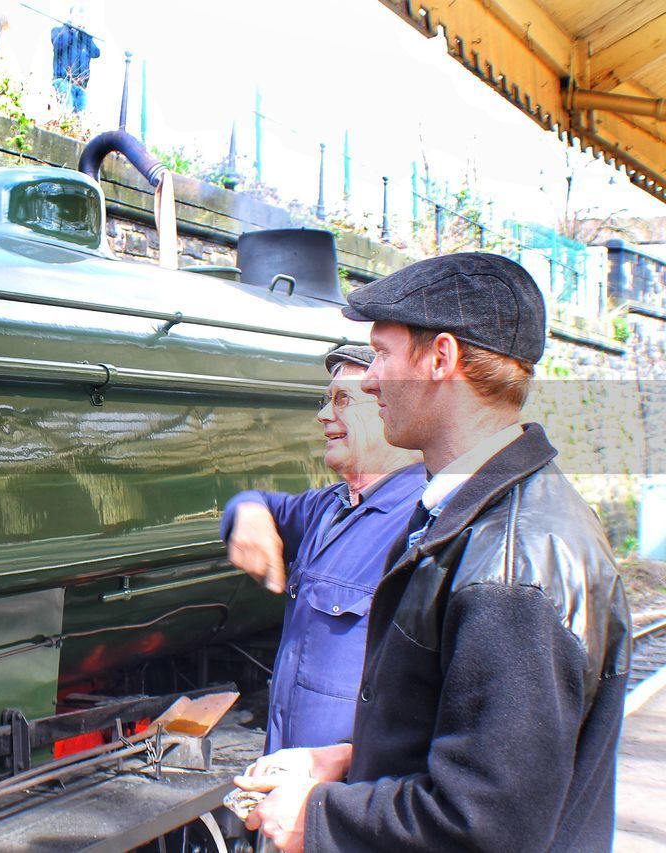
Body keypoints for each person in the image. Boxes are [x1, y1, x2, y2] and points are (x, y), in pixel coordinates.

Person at [234, 253, 631, 852]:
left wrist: (318, 818)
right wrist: (349, 759)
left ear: (440, 359)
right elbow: (471, 743)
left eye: (384, 355)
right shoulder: (477, 514)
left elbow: (486, 826)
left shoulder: (512, 567)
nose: (369, 380)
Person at [222, 345, 422, 754]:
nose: (324, 415)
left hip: (348, 794)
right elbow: (259, 501)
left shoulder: (423, 523)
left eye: (343, 399)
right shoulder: (329, 506)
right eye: (325, 400)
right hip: (288, 781)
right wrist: (246, 511)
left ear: (390, 406)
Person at [50, 9, 100, 113]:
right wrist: (71, 28)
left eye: (82, 17)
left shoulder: (84, 38)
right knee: (66, 114)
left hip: (81, 86)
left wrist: (85, 35)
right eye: (77, 16)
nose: (79, 19)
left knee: (81, 119)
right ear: (70, 16)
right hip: (63, 81)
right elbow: (58, 44)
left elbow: (96, 53)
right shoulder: (59, 31)